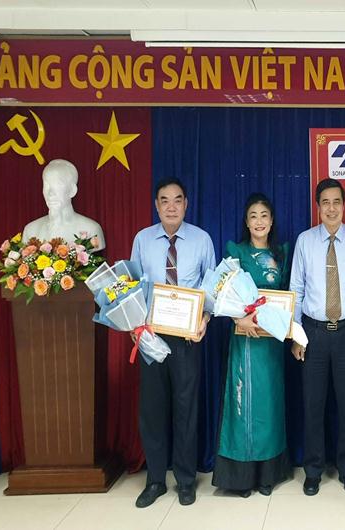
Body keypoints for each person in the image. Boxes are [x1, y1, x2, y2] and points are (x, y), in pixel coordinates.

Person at [130, 178, 215, 508]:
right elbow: (133, 287)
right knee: (152, 411)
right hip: (151, 336)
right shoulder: (142, 240)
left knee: (185, 409)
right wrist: (135, 324)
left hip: (187, 338)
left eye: (177, 200)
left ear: (186, 204)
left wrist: (205, 319)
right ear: (156, 205)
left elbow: (212, 286)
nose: (171, 206)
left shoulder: (201, 239)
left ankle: (185, 480)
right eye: (164, 200)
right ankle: (155, 480)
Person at [289, 178, 345, 496]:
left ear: (344, 204)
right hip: (313, 333)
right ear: (318, 207)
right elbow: (296, 289)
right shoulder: (305, 241)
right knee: (313, 405)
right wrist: (297, 335)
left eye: (337, 201)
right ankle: (313, 470)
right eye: (325, 202)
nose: (331, 208)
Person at [212, 193, 293, 497]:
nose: (259, 221)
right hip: (245, 338)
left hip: (271, 341)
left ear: (272, 221)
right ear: (246, 222)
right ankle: (242, 477)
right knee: (244, 404)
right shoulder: (236, 252)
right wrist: (238, 320)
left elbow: (289, 295)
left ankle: (268, 474)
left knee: (269, 403)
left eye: (264, 216)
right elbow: (221, 292)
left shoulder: (281, 254)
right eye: (253, 216)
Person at [22, 159, 106, 250]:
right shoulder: (31, 230)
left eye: (57, 184)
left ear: (72, 190)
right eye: (46, 185)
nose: (50, 192)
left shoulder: (91, 230)